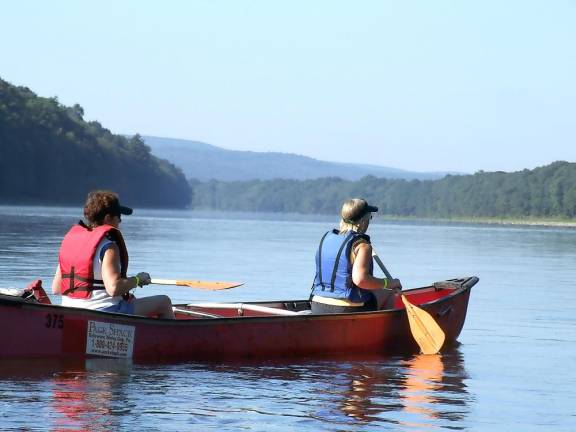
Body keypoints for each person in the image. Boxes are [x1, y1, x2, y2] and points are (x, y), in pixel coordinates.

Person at [52, 190, 175, 319]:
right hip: (103, 312)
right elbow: (113, 288)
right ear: (107, 218)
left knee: (132, 299)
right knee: (164, 302)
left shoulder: (70, 243)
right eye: (118, 216)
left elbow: (56, 288)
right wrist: (138, 279)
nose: (120, 220)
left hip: (69, 311)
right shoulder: (108, 246)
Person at [310, 198, 402, 314]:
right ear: (363, 221)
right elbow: (360, 280)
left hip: (317, 304)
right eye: (370, 218)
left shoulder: (327, 238)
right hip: (346, 308)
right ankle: (380, 330)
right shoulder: (362, 245)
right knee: (389, 293)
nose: (369, 222)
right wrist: (388, 283)